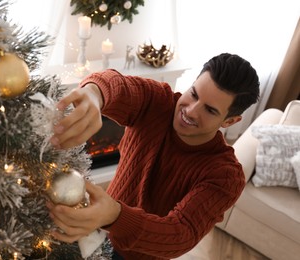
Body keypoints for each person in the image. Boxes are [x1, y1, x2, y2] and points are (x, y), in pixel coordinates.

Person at [46, 53, 260, 259]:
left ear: (230, 121)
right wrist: (94, 94)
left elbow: (180, 234)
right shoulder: (159, 103)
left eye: (210, 110)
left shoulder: (226, 176)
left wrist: (114, 215)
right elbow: (118, 85)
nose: (191, 111)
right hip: (95, 226)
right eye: (194, 94)